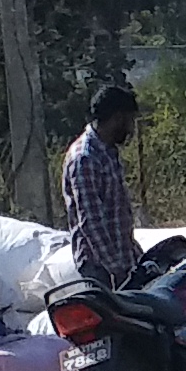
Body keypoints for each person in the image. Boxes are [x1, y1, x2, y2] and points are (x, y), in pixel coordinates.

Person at [61, 80, 147, 295]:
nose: (131, 129)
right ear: (117, 118)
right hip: (101, 267)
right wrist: (117, 269)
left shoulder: (107, 151)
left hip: (122, 258)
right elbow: (91, 221)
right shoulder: (84, 158)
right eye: (129, 121)